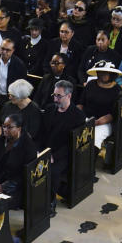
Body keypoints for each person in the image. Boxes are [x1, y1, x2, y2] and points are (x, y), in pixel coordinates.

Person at [38, 79, 87, 214]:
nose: (55, 99)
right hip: (46, 149)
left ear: (69, 96)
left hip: (64, 154)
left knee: (52, 171)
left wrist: (54, 156)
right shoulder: (49, 109)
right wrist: (40, 149)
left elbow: (71, 143)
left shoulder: (78, 116)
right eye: (54, 95)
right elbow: (41, 133)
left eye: (59, 96)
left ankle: (50, 202)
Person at [0, 113, 38, 209]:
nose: (5, 130)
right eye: (4, 126)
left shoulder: (28, 147)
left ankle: (3, 224)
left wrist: (2, 187)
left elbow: (24, 175)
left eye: (9, 127)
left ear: (19, 129)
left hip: (15, 188)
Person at [78, 61, 122, 134]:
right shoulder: (90, 84)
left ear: (112, 74)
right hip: (85, 118)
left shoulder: (117, 90)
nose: (103, 74)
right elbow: (81, 103)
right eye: (100, 72)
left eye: (106, 72)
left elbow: (113, 114)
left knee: (92, 136)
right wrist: (77, 115)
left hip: (104, 123)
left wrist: (96, 122)